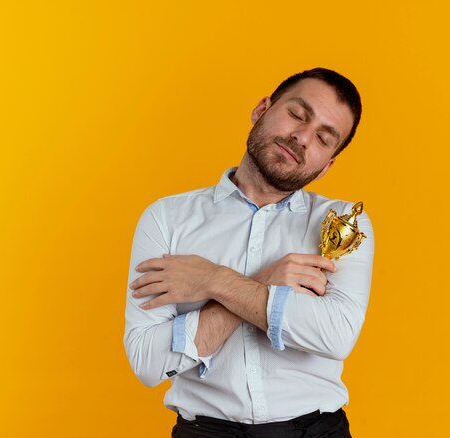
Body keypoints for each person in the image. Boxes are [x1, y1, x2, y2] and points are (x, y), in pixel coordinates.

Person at [124, 67, 374, 437]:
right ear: (261, 109)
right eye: (297, 114)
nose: (302, 137)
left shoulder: (341, 224)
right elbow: (148, 362)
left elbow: (334, 337)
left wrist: (213, 280)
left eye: (323, 138)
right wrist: (266, 282)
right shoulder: (167, 219)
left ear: (327, 166)